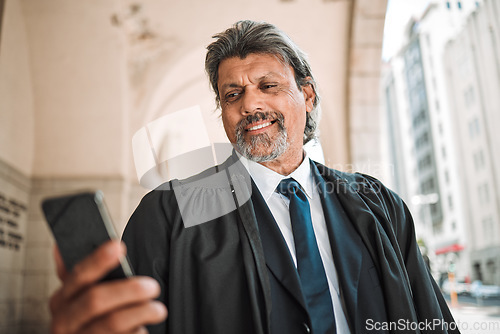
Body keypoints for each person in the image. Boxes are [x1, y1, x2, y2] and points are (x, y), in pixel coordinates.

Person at [49, 20, 459, 334]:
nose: (251, 104)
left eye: (268, 85)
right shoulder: (171, 210)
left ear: (307, 96)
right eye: (233, 94)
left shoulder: (376, 204)